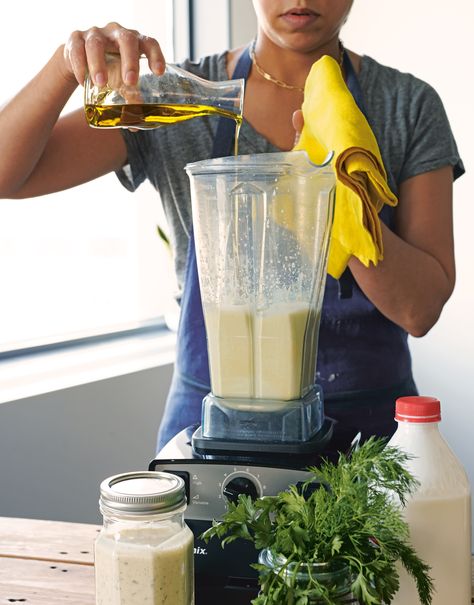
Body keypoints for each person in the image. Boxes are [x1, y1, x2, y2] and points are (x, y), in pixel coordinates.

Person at [0, 1, 463, 453]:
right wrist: (66, 67)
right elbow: (8, 177)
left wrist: (338, 190)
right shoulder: (176, 98)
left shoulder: (406, 105)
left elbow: (418, 311)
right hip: (210, 435)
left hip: (367, 441)